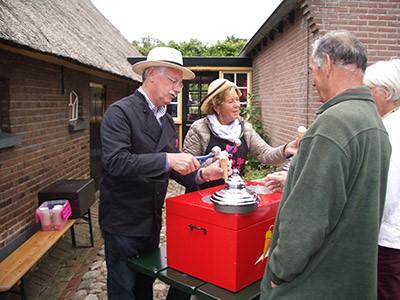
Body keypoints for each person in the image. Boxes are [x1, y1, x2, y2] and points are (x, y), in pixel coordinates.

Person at [260, 30, 391, 300]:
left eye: (312, 70)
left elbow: (307, 219)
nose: (313, 81)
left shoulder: (334, 124)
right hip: (348, 282)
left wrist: (278, 273)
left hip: (312, 286)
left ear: (327, 63)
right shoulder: (373, 122)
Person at [99, 46, 225, 300]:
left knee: (145, 286)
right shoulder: (120, 112)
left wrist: (202, 175)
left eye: (179, 83)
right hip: (122, 221)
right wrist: (168, 159)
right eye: (173, 81)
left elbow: (176, 170)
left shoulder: (166, 121)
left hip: (151, 221)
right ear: (151, 74)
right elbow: (116, 162)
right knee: (123, 289)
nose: (177, 88)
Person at [183, 78, 297, 190]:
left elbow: (265, 154)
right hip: (200, 196)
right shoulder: (199, 129)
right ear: (217, 107)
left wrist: (286, 149)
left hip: (233, 194)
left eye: (238, 99)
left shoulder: (245, 129)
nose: (237, 105)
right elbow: (188, 166)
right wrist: (211, 162)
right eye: (231, 101)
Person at [364, 58, 400, 300]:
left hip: (390, 240)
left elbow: (386, 193)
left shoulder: (389, 131)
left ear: (385, 92)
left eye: (369, 90)